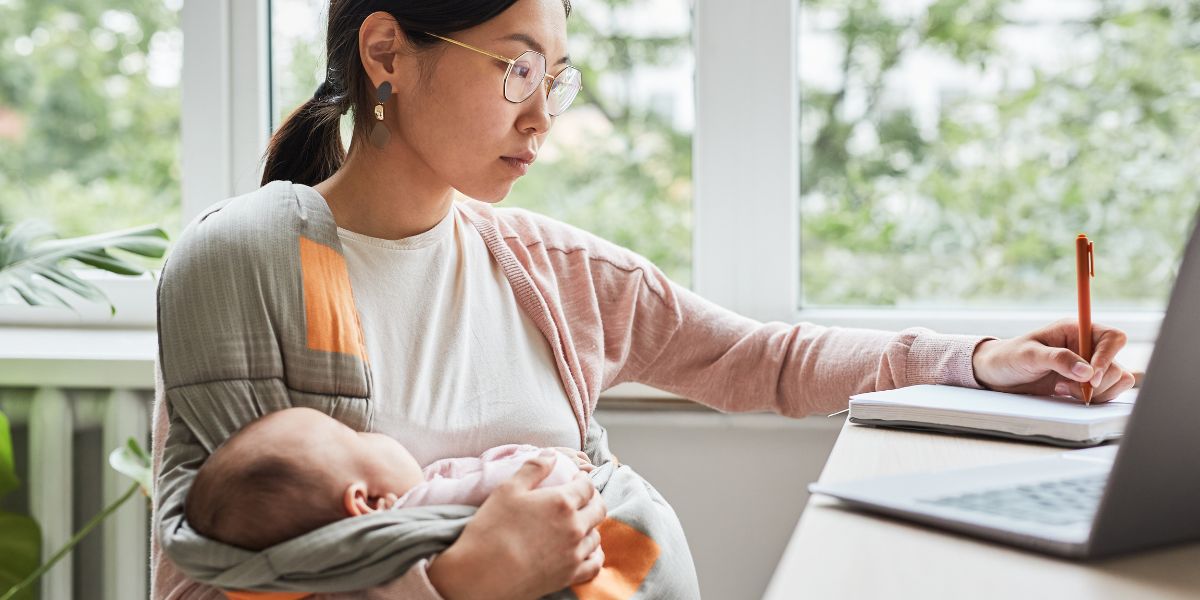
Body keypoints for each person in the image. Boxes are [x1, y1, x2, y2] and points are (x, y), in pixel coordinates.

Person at [151, 0, 1137, 599]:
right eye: (516, 70)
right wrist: (452, 584)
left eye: (558, 80)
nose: (542, 116)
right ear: (387, 53)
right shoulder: (246, 268)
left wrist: (977, 362)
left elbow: (762, 359)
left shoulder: (545, 269)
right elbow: (205, 585)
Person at [184, 407, 595, 552]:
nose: (369, 432)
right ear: (368, 501)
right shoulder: (419, 510)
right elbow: (543, 485)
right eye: (354, 437)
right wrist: (549, 458)